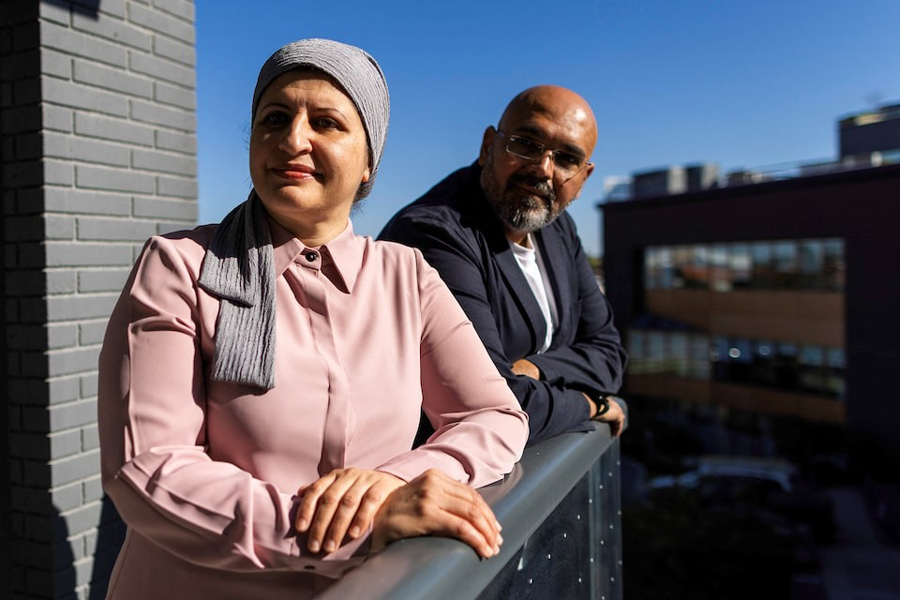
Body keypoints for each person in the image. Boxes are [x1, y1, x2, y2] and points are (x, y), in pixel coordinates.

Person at [98, 39, 528, 599]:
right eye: (275, 118)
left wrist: (393, 483)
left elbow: (494, 415)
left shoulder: (407, 275)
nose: (293, 139)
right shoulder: (178, 267)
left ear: (369, 158)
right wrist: (347, 528)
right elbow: (149, 471)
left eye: (326, 122)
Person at [380, 85, 627, 445]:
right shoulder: (435, 233)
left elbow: (610, 355)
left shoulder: (557, 227)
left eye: (566, 159)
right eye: (526, 143)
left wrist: (538, 369)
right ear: (487, 147)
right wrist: (592, 405)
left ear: (583, 178)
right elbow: (494, 405)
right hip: (445, 479)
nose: (543, 169)